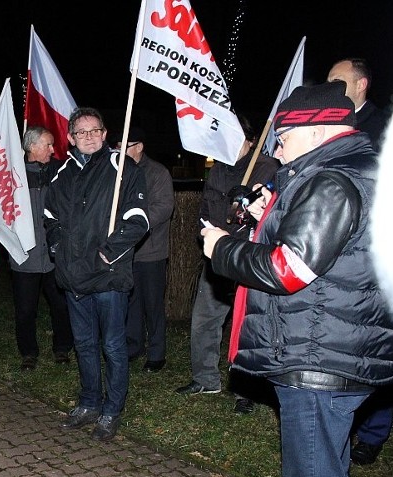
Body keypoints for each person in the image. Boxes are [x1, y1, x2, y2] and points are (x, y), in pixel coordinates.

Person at [201, 82, 393, 477]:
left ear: (315, 132)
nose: (276, 148)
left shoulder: (331, 181)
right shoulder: (352, 171)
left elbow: (289, 269)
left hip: (319, 358)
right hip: (338, 346)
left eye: (283, 138)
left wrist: (222, 248)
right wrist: (263, 218)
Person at [44, 107, 149, 442]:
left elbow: (139, 219)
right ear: (71, 138)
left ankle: (111, 409)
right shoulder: (62, 173)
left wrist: (107, 253)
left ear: (104, 134)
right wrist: (58, 248)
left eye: (94, 130)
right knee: (84, 343)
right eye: (81, 132)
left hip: (108, 277)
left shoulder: (122, 168)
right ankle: (89, 402)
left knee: (113, 345)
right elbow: (50, 217)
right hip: (74, 277)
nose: (88, 137)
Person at [175, 115, 280, 415]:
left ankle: (246, 391)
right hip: (218, 256)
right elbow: (206, 209)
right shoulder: (218, 169)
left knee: (247, 324)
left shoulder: (267, 167)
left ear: (249, 140)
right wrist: (206, 231)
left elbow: (269, 215)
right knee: (205, 318)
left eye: (233, 139)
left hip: (249, 258)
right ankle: (205, 378)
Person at [328, 57, 393, 465]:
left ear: (362, 84)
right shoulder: (338, 126)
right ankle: (346, 419)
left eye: (339, 82)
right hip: (342, 248)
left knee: (377, 345)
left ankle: (373, 431)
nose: (332, 88)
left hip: (379, 251)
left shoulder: (383, 127)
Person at [11, 126, 73, 371]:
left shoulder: (60, 171)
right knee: (26, 309)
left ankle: (62, 348)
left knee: (61, 305)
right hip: (24, 257)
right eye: (47, 145)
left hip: (53, 256)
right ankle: (28, 352)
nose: (52, 149)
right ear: (32, 147)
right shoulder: (13, 176)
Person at [117, 127, 174, 372]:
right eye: (117, 146)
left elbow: (163, 207)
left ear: (139, 147)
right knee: (131, 301)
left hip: (151, 251)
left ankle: (157, 353)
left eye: (124, 146)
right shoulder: (117, 171)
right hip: (126, 251)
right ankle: (134, 345)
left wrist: (134, 224)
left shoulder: (157, 172)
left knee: (153, 304)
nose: (119, 151)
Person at [328, 58, 388, 152]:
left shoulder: (385, 129)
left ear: (360, 85)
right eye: (328, 83)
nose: (328, 88)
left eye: (336, 81)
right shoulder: (322, 122)